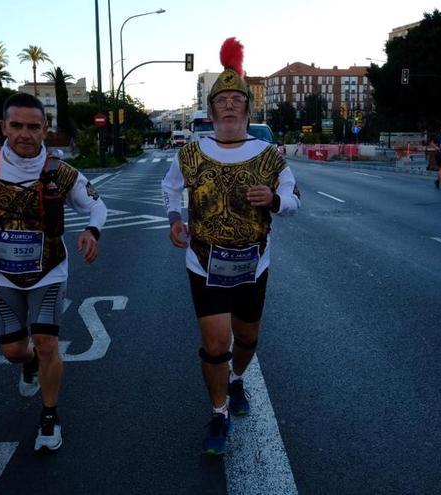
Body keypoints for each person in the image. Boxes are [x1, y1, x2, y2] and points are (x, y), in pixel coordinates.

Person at [161, 38, 300, 456]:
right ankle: (218, 412)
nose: (228, 105)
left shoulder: (269, 156)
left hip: (253, 264)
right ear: (210, 109)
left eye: (236, 98)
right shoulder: (190, 153)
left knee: (247, 338)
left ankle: (237, 379)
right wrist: (174, 219)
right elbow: (170, 188)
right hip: (204, 262)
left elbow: (294, 202)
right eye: (220, 99)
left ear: (246, 108)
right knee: (216, 343)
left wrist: (273, 200)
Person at [0, 93, 107, 452]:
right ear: (3, 127)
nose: (24, 133)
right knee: (14, 350)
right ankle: (28, 362)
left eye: (33, 126)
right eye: (16, 125)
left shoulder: (60, 172)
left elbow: (97, 207)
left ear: (45, 130)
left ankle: (49, 415)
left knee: (48, 342)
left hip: (49, 271)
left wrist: (91, 230)